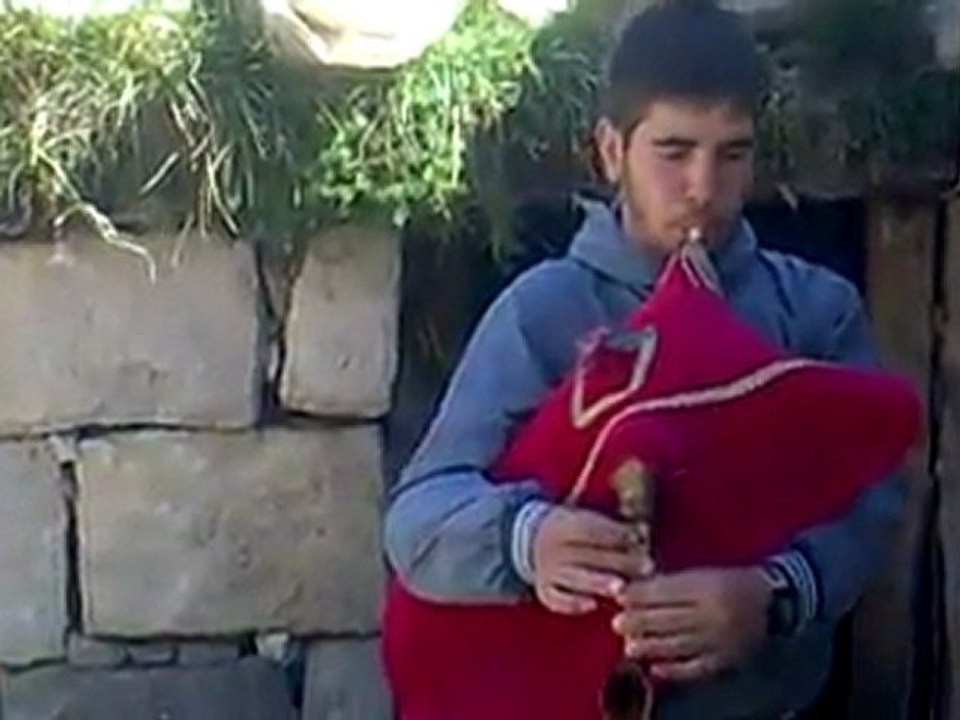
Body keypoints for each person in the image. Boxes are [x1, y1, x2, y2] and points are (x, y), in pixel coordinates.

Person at [383, 1, 906, 717]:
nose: (703, 188)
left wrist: (776, 593)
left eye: (732, 154)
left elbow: (874, 502)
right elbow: (418, 516)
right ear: (611, 150)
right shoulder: (543, 313)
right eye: (674, 151)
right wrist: (527, 540)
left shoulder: (817, 312)